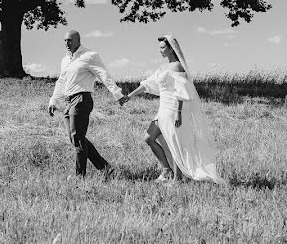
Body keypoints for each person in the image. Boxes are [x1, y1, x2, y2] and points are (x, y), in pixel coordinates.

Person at [122, 35, 226, 185]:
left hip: (174, 109)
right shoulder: (163, 67)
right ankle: (166, 169)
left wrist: (178, 113)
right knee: (149, 138)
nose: (160, 51)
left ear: (171, 48)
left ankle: (177, 179)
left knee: (174, 143)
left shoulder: (177, 66)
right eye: (159, 48)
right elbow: (147, 84)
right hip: (163, 108)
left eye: (163, 48)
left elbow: (181, 91)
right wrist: (130, 96)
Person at [48, 30, 128, 178]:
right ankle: (106, 168)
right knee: (76, 139)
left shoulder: (89, 56)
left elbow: (104, 75)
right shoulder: (65, 59)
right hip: (68, 101)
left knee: (77, 138)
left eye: (70, 40)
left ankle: (80, 176)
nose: (67, 43)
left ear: (78, 40)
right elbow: (61, 81)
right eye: (65, 40)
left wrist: (117, 93)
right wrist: (53, 100)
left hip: (81, 99)